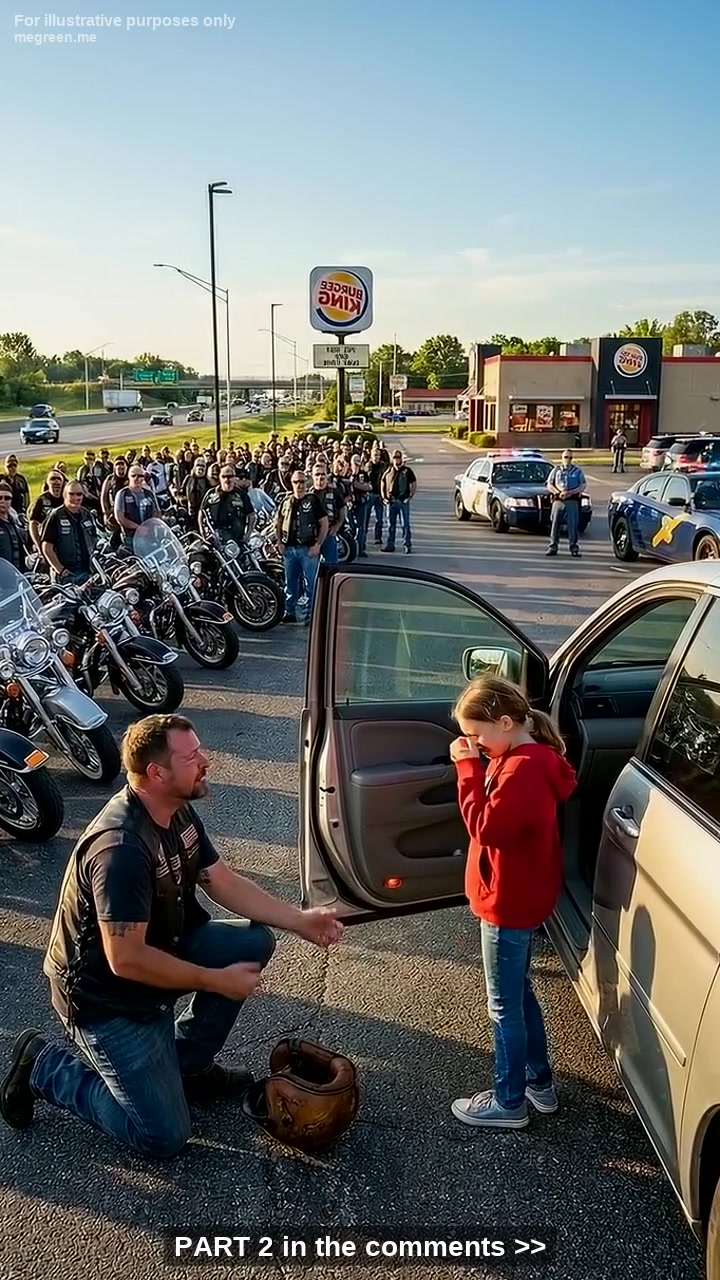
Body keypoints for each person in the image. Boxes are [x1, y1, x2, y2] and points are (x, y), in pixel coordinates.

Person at [0, 715, 343, 1157]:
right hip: (106, 1000)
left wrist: (298, 920)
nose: (206, 760)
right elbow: (126, 959)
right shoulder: (120, 848)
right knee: (163, 1136)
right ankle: (44, 1067)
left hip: (156, 952)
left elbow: (221, 881)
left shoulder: (172, 807)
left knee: (250, 943)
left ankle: (188, 1066)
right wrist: (213, 980)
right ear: (157, 773)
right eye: (191, 756)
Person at [448, 676, 576, 1130]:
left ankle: (509, 1101)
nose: (473, 744)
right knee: (519, 997)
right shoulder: (529, 759)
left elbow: (486, 828)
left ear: (505, 722)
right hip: (521, 893)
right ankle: (538, 1082)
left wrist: (468, 770)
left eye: (477, 734)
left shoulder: (522, 769)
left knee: (503, 1007)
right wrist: (480, 762)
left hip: (507, 902)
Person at [275, 470, 328, 625]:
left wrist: (318, 544)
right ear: (291, 483)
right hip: (289, 549)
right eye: (296, 482)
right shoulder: (286, 501)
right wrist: (279, 542)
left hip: (308, 549)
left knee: (311, 584)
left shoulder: (313, 501)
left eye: (302, 482)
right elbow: (278, 522)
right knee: (290, 583)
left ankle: (311, 615)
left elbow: (324, 523)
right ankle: (290, 612)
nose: (299, 485)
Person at [41, 481, 98, 582]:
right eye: (71, 494)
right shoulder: (56, 515)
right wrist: (61, 570)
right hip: (65, 575)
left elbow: (94, 540)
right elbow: (47, 547)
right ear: (64, 495)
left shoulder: (87, 514)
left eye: (79, 494)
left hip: (88, 572)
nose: (76, 498)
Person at [545, 449, 586, 558]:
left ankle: (574, 548)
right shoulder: (556, 470)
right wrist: (558, 492)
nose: (568, 460)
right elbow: (549, 484)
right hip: (558, 500)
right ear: (562, 458)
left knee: (573, 525)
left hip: (572, 500)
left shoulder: (577, 471)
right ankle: (553, 547)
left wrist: (571, 492)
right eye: (566, 457)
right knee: (555, 524)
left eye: (570, 457)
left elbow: (582, 485)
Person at [200, 466, 254, 544]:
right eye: (224, 476)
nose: (227, 479)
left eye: (230, 476)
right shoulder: (211, 494)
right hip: (214, 539)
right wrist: (202, 532)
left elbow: (251, 515)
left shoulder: (241, 495)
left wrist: (247, 536)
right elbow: (201, 512)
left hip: (236, 540)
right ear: (219, 477)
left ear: (235, 478)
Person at [114, 465, 162, 550]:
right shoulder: (122, 494)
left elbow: (157, 512)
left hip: (150, 535)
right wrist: (138, 528)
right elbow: (120, 517)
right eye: (134, 475)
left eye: (140, 476)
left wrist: (151, 525)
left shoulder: (149, 493)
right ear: (129, 477)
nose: (137, 478)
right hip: (131, 537)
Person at [381, 449, 417, 554]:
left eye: (398, 457)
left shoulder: (407, 471)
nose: (396, 460)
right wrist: (384, 497)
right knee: (390, 525)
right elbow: (382, 482)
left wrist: (410, 496)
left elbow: (413, 483)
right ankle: (390, 545)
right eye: (394, 457)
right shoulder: (388, 470)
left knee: (405, 525)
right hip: (391, 502)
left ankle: (407, 545)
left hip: (402, 501)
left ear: (401, 459)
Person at [311, 463, 346, 565]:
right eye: (317, 474)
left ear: (327, 475)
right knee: (311, 567)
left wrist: (337, 526)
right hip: (312, 537)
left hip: (328, 535)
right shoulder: (308, 494)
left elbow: (342, 510)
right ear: (312, 476)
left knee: (331, 566)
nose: (320, 477)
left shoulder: (334, 492)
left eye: (323, 474)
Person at [28, 470, 65, 554]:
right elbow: (33, 523)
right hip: (46, 541)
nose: (57, 481)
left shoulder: (66, 499)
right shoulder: (41, 500)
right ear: (47, 483)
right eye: (53, 478)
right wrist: (38, 545)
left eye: (59, 479)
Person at [0, 481, 28, 571]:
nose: (3, 501)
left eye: (7, 498)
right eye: (0, 497)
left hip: (15, 573)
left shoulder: (14, 523)